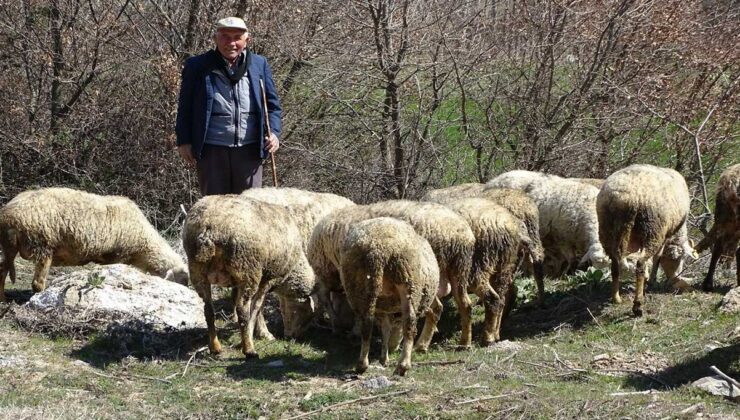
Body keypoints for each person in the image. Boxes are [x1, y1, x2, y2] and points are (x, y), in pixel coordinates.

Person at [176, 17, 281, 195]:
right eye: (225, 36)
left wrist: (274, 133)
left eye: (237, 37)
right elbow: (185, 106)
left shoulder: (259, 64)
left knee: (249, 208)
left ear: (247, 40)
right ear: (215, 38)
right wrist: (184, 140)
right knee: (214, 209)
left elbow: (273, 106)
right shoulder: (198, 66)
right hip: (212, 149)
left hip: (250, 150)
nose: (231, 43)